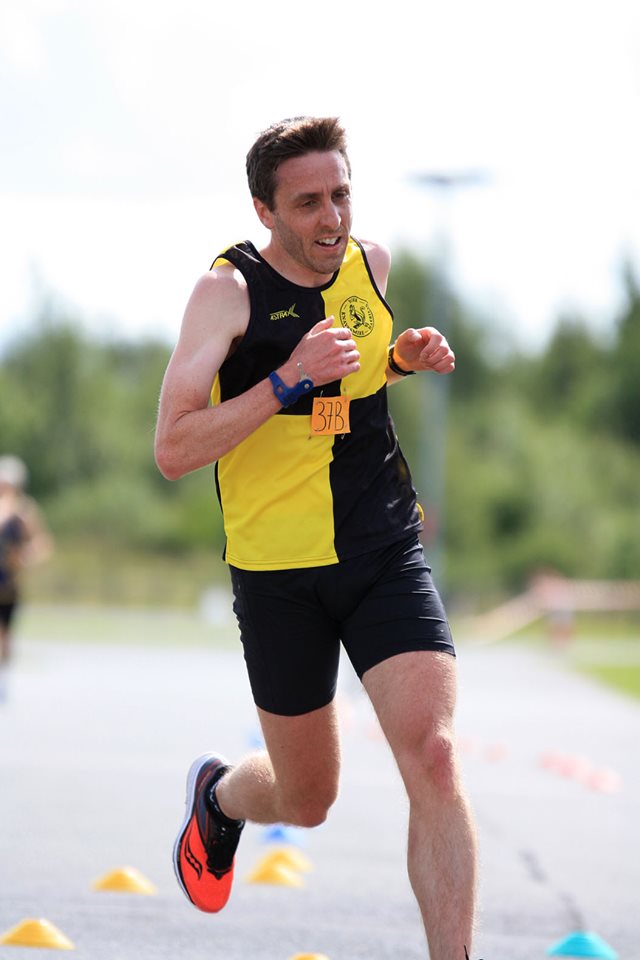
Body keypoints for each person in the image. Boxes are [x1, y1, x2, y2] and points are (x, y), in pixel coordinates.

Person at [155, 116, 478, 960]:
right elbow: (173, 448)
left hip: (381, 547)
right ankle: (221, 797)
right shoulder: (225, 293)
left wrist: (398, 359)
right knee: (307, 799)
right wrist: (287, 378)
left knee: (435, 756)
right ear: (264, 211)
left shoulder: (372, 265)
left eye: (341, 194)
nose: (332, 218)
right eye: (307, 204)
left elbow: (355, 377)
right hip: (279, 571)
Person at [0, 455, 53, 664]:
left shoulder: (23, 510)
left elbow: (42, 544)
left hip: (8, 585)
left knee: (5, 638)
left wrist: (24, 557)